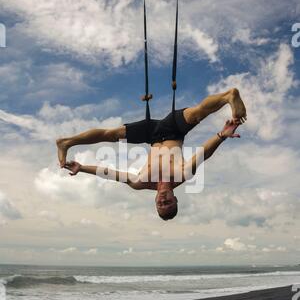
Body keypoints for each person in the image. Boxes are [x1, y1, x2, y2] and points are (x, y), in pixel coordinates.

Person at [57, 88, 247, 221]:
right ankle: (228, 96)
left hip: (152, 135)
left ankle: (67, 142)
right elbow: (203, 154)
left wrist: (81, 168)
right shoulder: (182, 175)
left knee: (111, 135)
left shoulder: (140, 183)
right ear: (175, 199)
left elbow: (110, 173)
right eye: (168, 203)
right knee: (198, 113)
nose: (163, 200)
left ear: (155, 202)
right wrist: (222, 135)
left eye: (160, 205)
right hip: (174, 130)